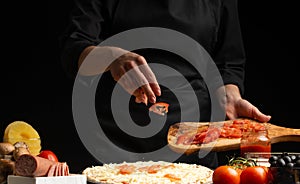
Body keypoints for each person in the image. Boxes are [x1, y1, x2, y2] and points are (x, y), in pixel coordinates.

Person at [59, 0, 271, 167]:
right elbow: (74, 47)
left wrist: (229, 96)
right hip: (114, 140)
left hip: (193, 141)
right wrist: (111, 58)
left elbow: (228, 60)